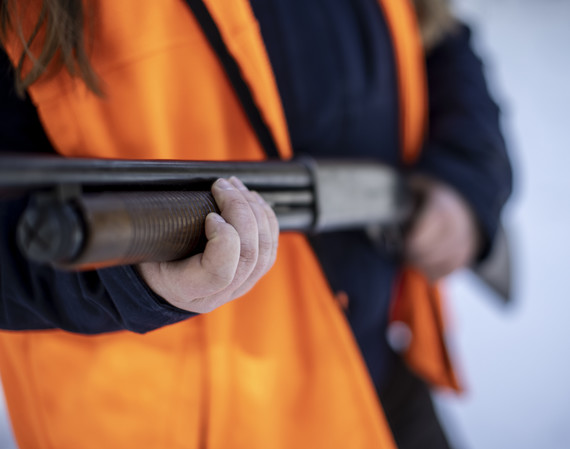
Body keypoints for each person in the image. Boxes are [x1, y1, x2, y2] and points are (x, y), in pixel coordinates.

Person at [0, 0, 512, 448]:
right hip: (178, 427)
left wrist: (466, 178)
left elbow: (440, 37)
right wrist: (128, 283)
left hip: (373, 373)